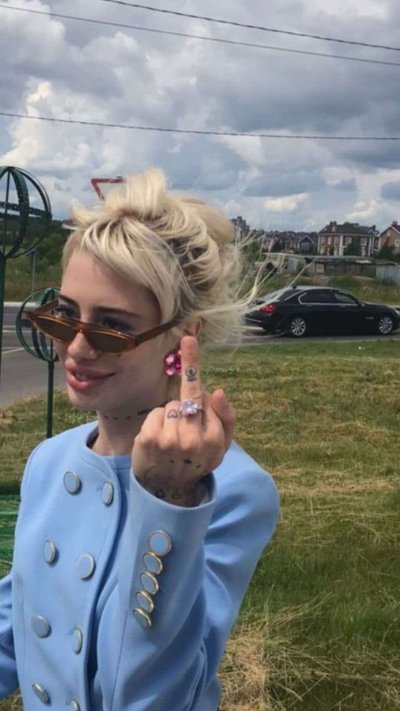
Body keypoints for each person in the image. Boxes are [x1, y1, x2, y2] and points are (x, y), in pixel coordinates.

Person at [0, 168, 279, 710]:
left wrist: (170, 500)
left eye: (111, 328)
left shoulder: (230, 489)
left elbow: (156, 694)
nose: (76, 348)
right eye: (64, 316)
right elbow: (17, 626)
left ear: (183, 337)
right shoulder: (50, 460)